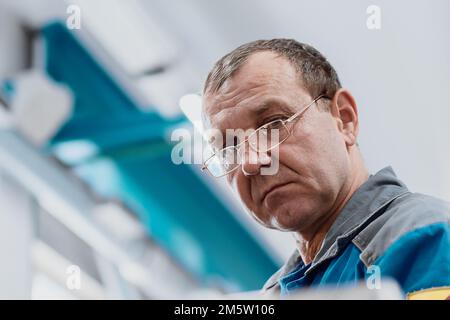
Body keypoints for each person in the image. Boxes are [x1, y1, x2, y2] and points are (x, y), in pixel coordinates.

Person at [199, 39, 450, 299]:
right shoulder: (274, 293)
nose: (251, 161)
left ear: (344, 118)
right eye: (229, 147)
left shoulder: (425, 236)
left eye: (274, 123)